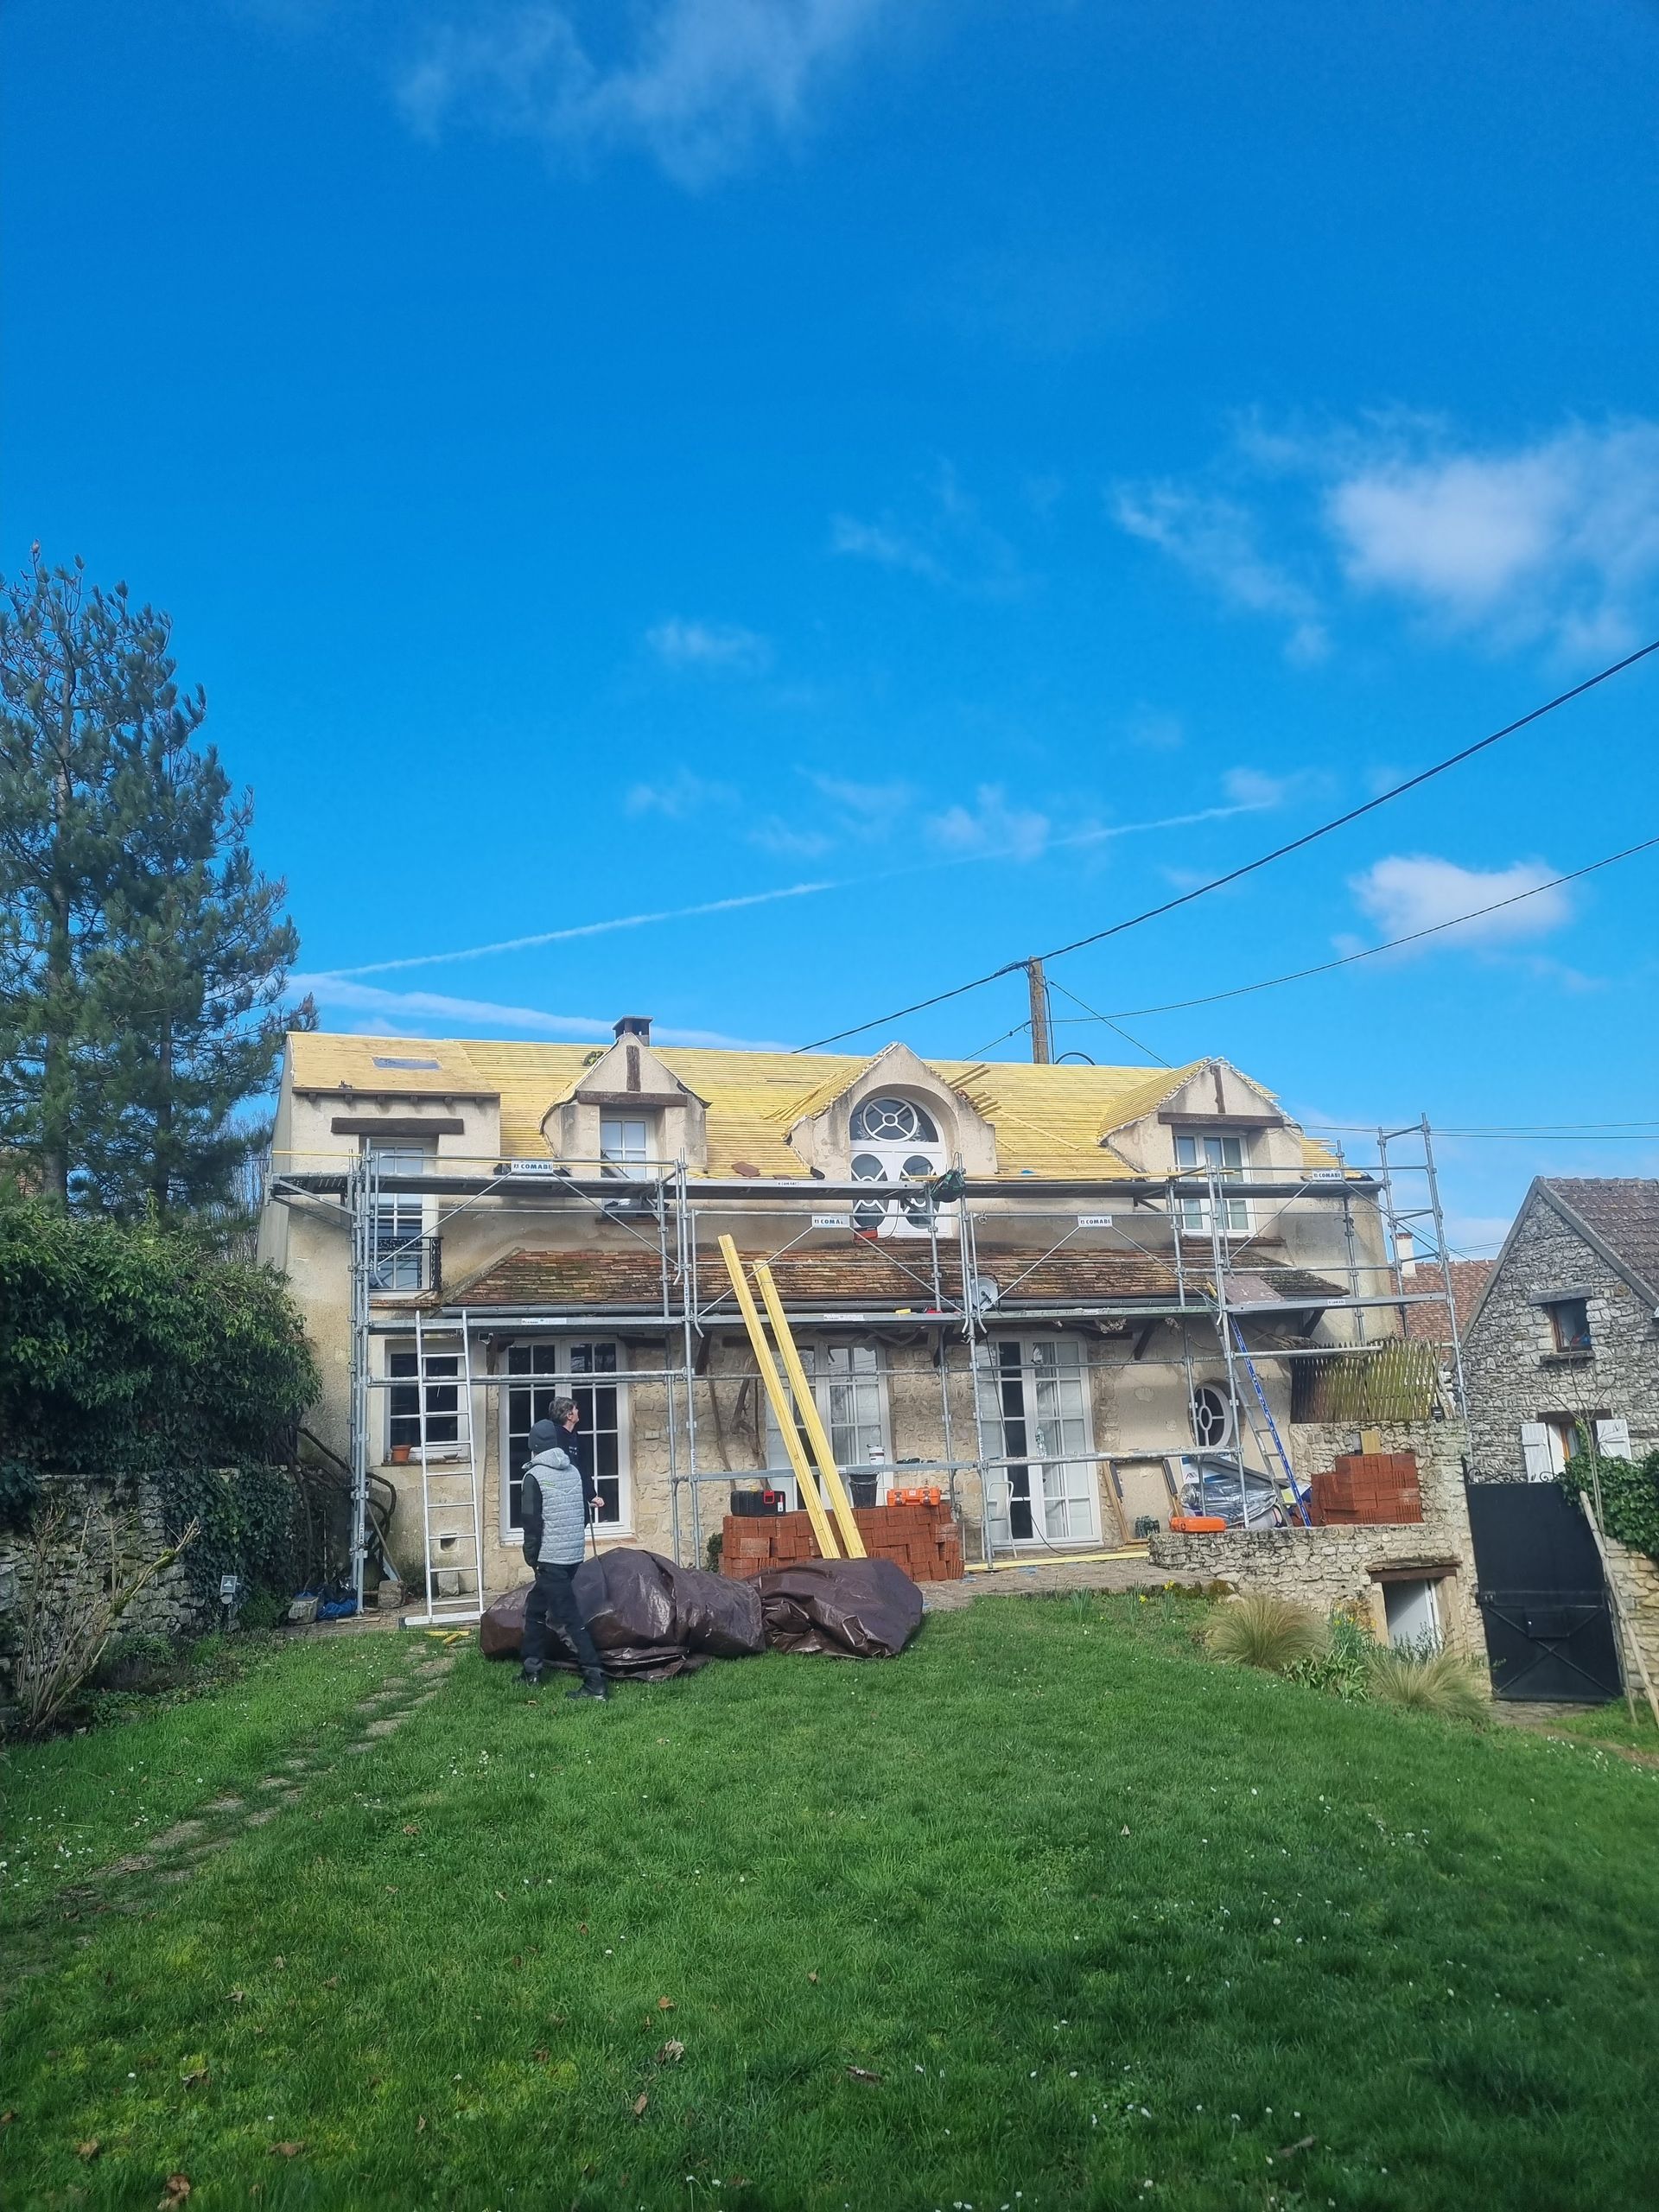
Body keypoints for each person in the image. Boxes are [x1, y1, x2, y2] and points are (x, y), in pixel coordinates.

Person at [518, 1412, 607, 1700]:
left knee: (570, 1619)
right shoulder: (572, 1471)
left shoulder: (533, 1476)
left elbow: (532, 1524)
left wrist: (532, 1558)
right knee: (535, 1609)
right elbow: (581, 1514)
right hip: (571, 1557)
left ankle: (595, 1683)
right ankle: (531, 1670)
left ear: (534, 1446)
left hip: (550, 1559)